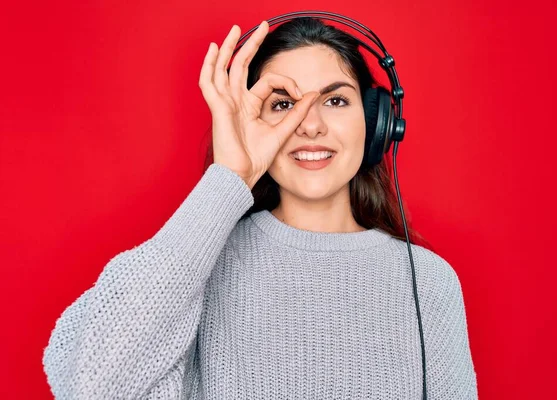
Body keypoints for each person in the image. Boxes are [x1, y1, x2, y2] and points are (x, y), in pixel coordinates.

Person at [42, 16, 478, 399]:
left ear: (378, 121)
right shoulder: (201, 268)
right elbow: (89, 383)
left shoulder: (430, 284)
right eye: (283, 104)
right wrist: (231, 178)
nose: (309, 125)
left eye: (335, 100)